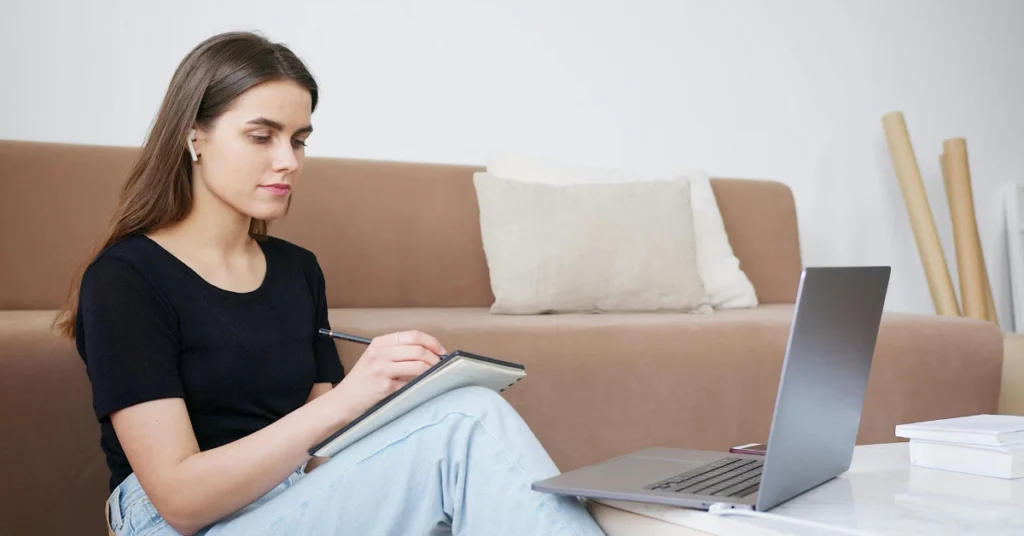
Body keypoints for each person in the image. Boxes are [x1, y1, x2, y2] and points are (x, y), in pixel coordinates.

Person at [54, 31, 606, 536]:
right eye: (261, 136)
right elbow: (180, 498)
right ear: (194, 137)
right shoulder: (125, 281)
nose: (286, 161)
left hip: (292, 495)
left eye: (298, 140)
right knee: (469, 422)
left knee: (460, 411)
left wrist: (400, 401)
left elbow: (323, 456)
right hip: (180, 524)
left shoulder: (297, 271)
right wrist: (351, 396)